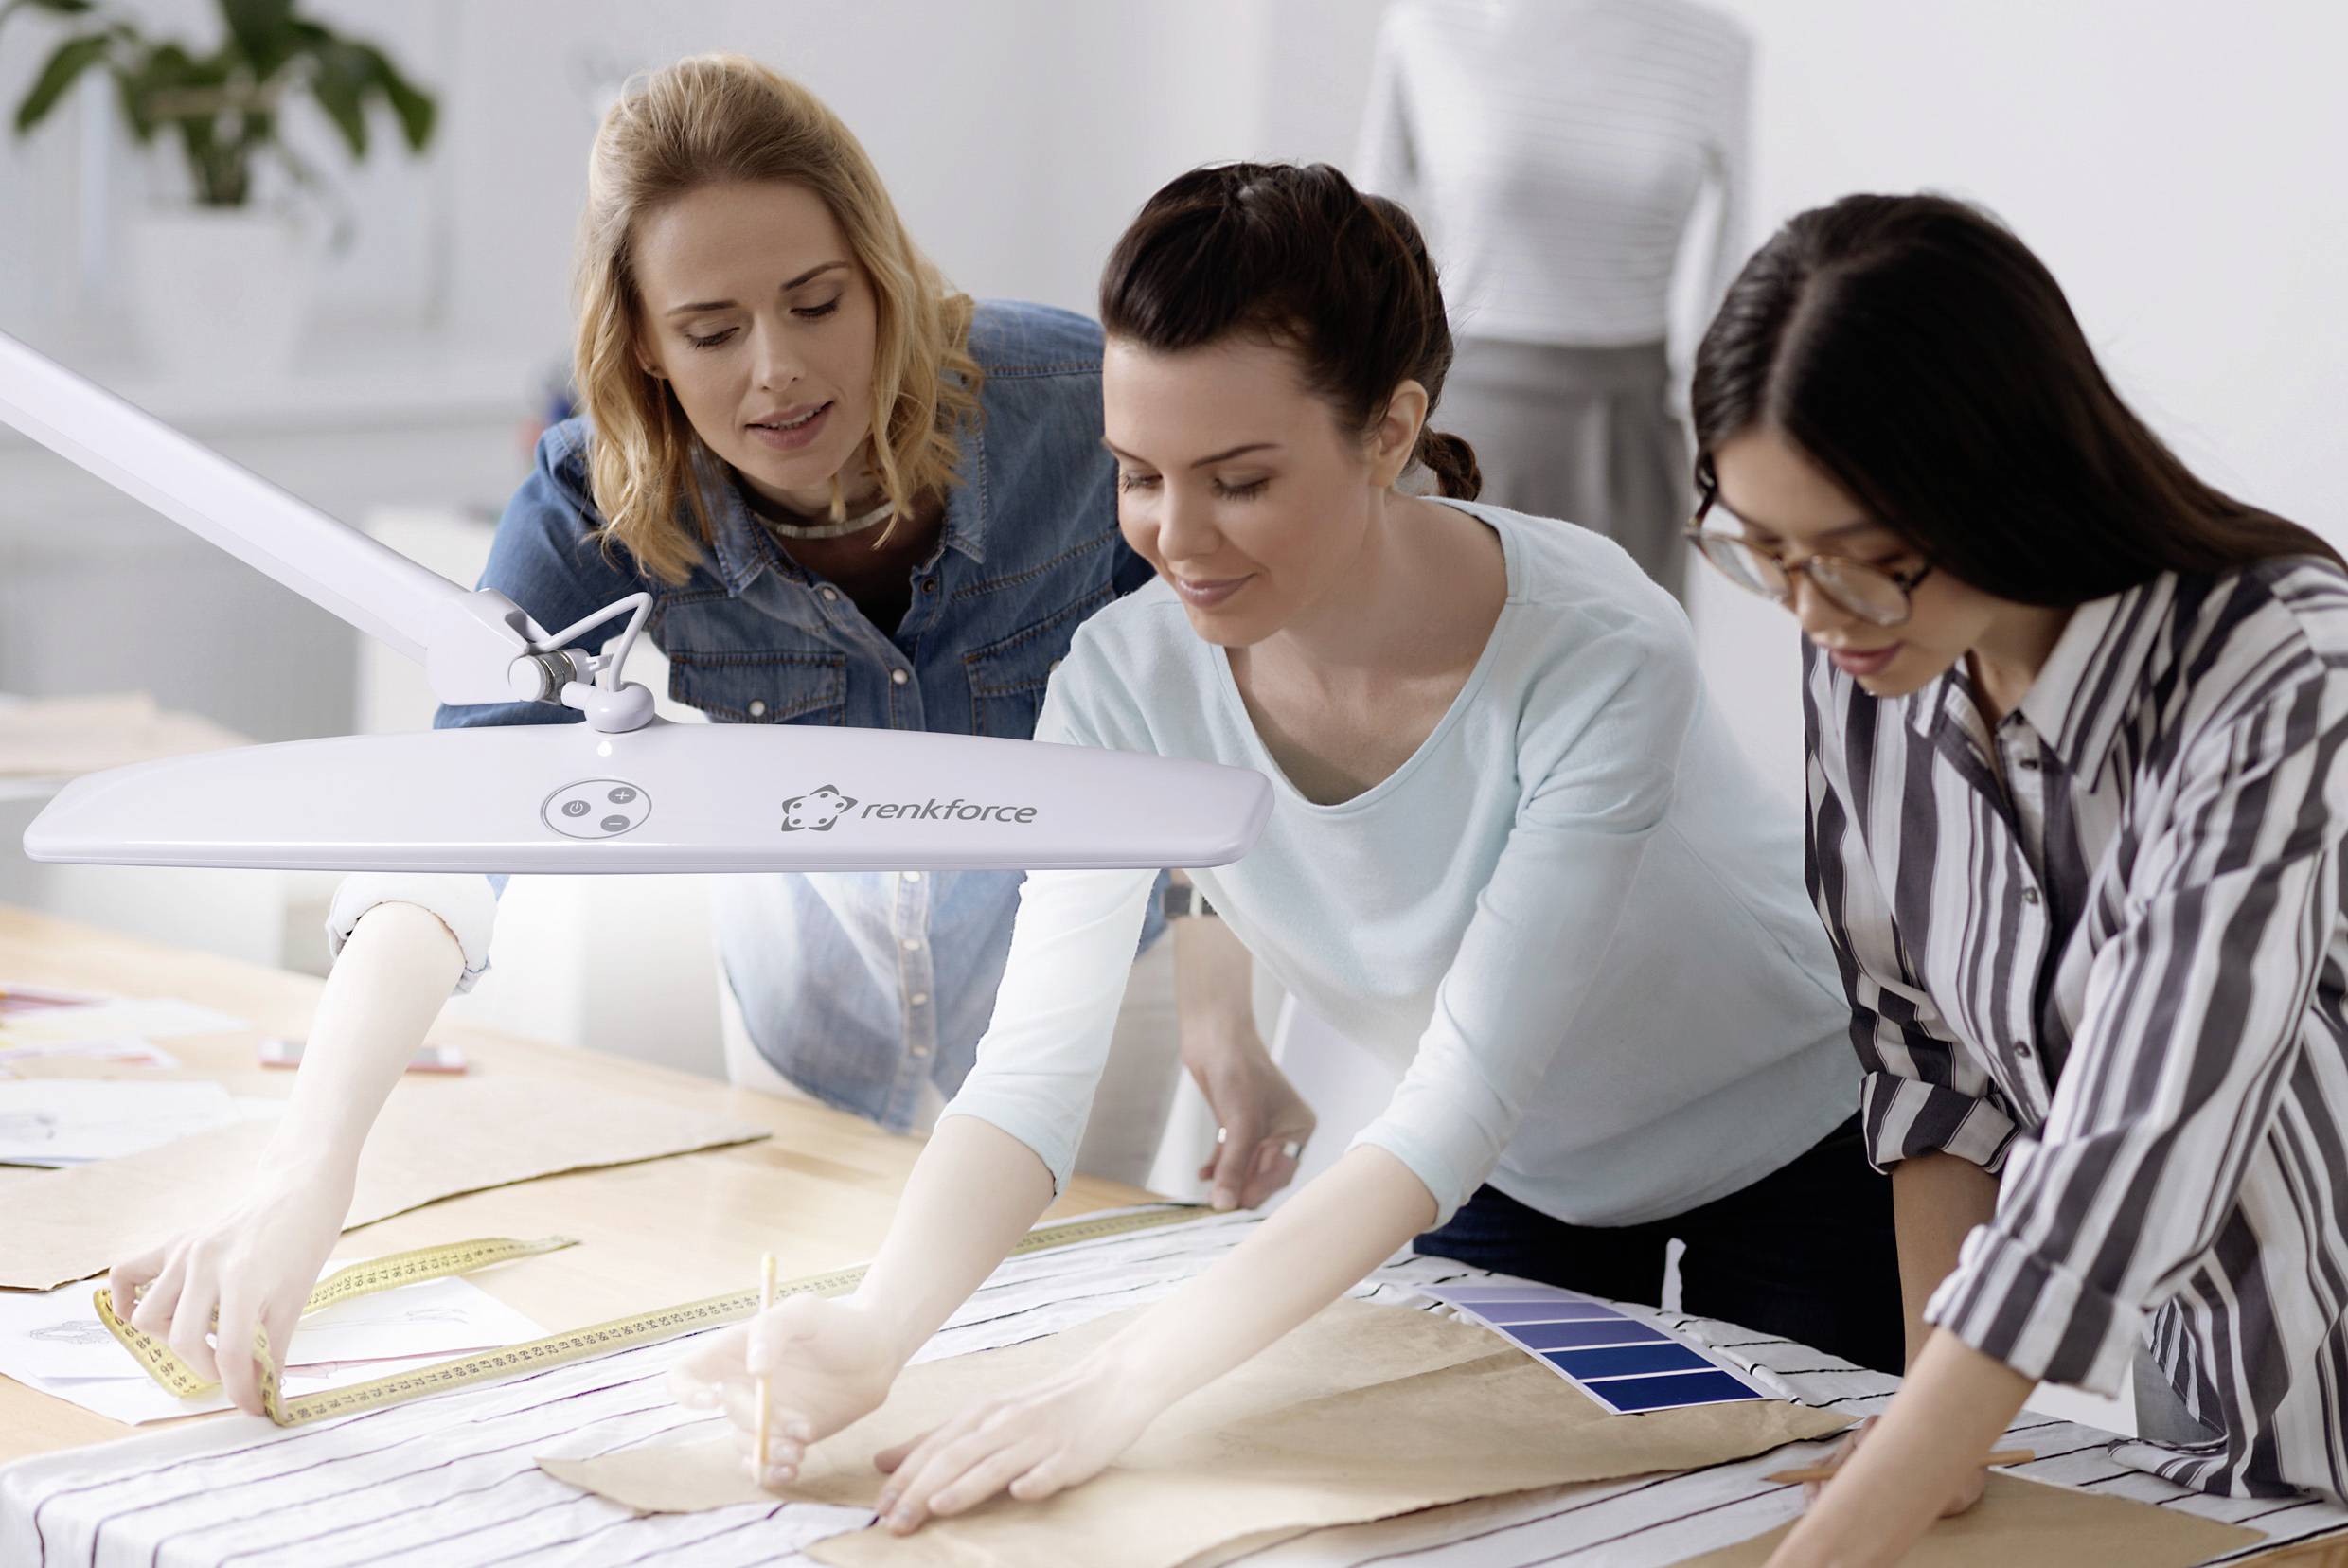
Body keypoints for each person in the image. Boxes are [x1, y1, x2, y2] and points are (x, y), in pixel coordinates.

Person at [670, 161, 1902, 1526]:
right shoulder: (1122, 687)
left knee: (1803, 1525)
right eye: (1138, 477)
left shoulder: (1595, 647)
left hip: (1796, 1145)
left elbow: (1456, 1091)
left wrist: (1118, 1388)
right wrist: (876, 1329)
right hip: (1518, 1174)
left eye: (1239, 480)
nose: (1176, 540)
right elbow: (1032, 1074)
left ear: (1389, 431)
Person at [104, 54, 1309, 1417]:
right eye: (712, 330)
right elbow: (449, 826)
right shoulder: (598, 500)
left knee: (1037, 1373)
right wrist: (303, 1174)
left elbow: (1218, 690)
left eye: (815, 304)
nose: (779, 372)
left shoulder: (1076, 408)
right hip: (813, 1015)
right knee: (799, 1395)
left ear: (883, 272)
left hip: (1088, 990)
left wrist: (1222, 990)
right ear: (642, 348)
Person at [1680, 192, 2348, 1565]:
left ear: (2001, 475)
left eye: (1866, 561)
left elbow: (2138, 1140)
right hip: (2191, 1362)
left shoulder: (2281, 669)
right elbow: (1928, 1061)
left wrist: (1855, 1524)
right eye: (1768, 553)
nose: (1811, 614)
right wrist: (1946, 1442)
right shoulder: (1873, 659)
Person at [1355, 0, 1751, 598]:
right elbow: (1368, 246)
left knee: (1626, 666)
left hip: (1631, 432)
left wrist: (1718, 413)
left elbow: (1733, 254)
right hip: (1455, 429)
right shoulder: (1428, 26)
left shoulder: (1715, 47)